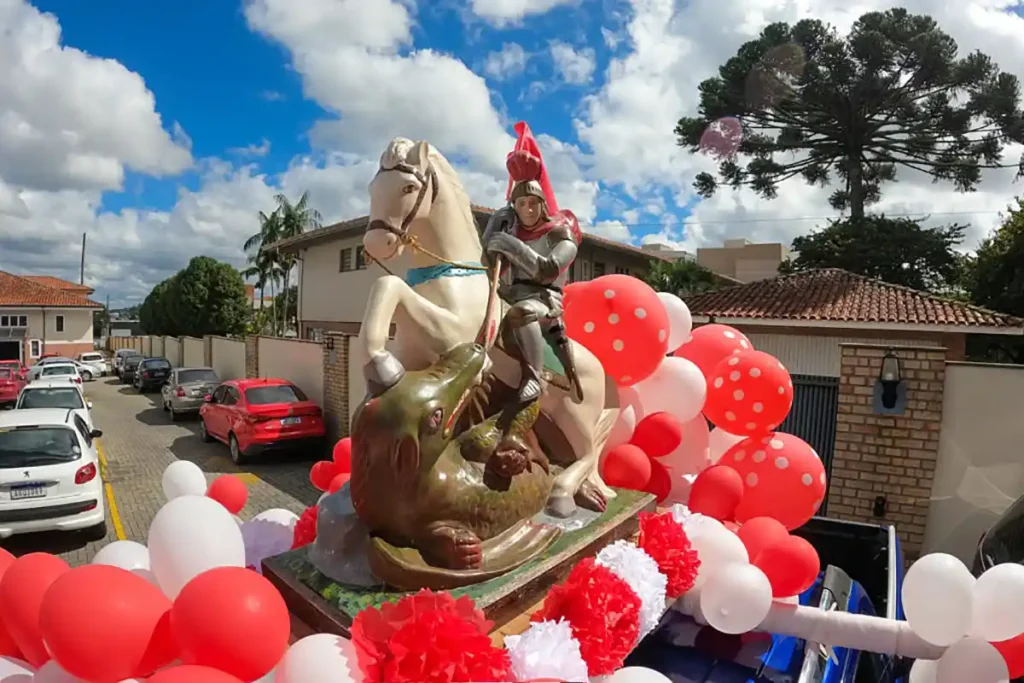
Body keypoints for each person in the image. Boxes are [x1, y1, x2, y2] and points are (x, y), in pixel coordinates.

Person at [484, 122, 582, 404]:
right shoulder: (509, 230)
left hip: (543, 297)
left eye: (533, 203)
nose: (527, 209)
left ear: (542, 204)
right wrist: (494, 228)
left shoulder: (559, 234)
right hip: (508, 292)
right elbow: (488, 263)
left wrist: (509, 244)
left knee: (521, 312)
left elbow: (546, 270)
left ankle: (535, 377)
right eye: (521, 204)